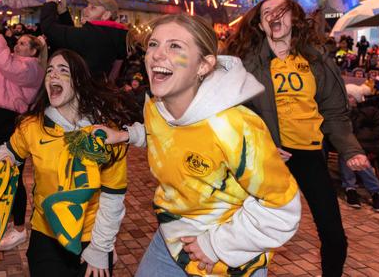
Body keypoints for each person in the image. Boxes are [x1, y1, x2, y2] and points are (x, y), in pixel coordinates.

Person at [97, 14, 301, 276]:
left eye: (175, 46)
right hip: (170, 238)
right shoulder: (155, 107)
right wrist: (126, 136)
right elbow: (165, 134)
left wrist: (215, 244)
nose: (157, 54)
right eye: (153, 44)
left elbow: (283, 209)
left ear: (203, 66)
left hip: (229, 256)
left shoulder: (235, 127)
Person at [227, 0, 371, 277]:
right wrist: (261, 144)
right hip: (267, 156)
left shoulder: (316, 59)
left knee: (334, 234)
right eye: (266, 12)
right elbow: (234, 112)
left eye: (281, 11)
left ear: (294, 18)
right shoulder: (246, 63)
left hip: (308, 155)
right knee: (243, 226)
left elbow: (334, 111)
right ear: (259, 24)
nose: (273, 16)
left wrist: (351, 150)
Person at [0, 49, 139, 276]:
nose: (52, 75)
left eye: (63, 70)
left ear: (79, 81)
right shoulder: (32, 125)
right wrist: (4, 160)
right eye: (49, 70)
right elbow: (8, 150)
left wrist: (102, 248)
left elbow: (113, 196)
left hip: (91, 237)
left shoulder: (105, 132)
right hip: (46, 234)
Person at [0, 17, 46, 251]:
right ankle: (5, 220)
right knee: (0, 174)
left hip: (8, 123)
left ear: (35, 51)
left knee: (11, 176)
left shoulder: (32, 68)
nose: (18, 45)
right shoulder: (11, 62)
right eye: (19, 42)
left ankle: (18, 228)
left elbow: (7, 66)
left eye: (25, 43)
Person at [40, 0, 127, 82]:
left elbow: (49, 29)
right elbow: (74, 42)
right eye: (87, 6)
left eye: (93, 8)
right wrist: (63, 13)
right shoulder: (109, 34)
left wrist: (50, 4)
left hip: (85, 91)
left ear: (106, 15)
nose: (85, 10)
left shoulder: (94, 34)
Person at [340, 84, 379, 212]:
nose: (347, 99)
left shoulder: (371, 111)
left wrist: (361, 139)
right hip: (350, 145)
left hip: (368, 143)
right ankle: (372, 192)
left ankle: (356, 189)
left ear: (356, 98)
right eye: (346, 96)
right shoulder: (342, 112)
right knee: (350, 153)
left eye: (350, 97)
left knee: (354, 154)